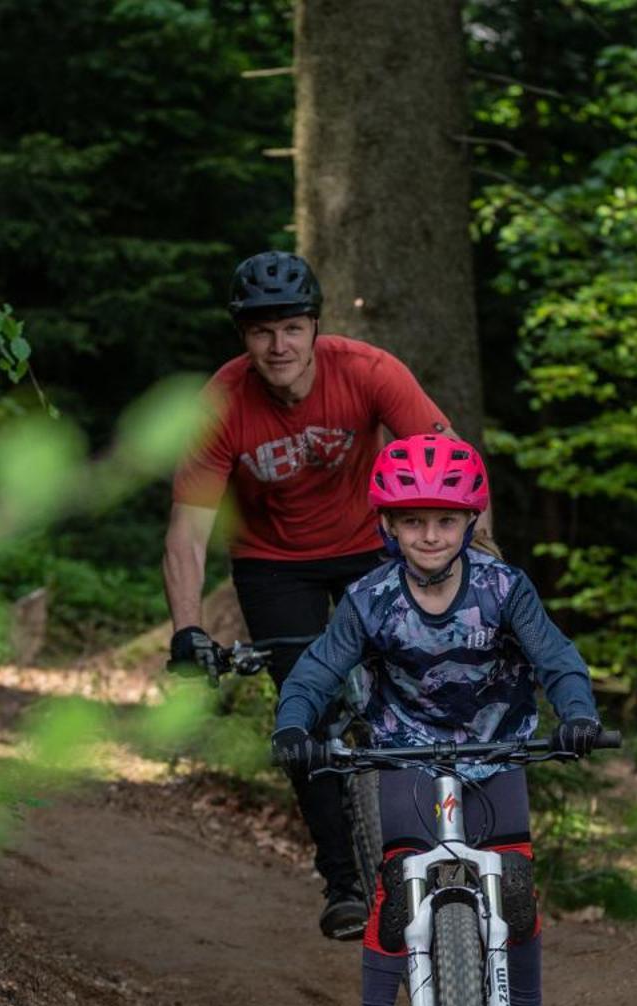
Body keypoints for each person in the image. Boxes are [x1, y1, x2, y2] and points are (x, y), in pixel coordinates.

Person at [267, 435, 603, 1006]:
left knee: (514, 886)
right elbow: (316, 670)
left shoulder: (504, 588)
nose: (430, 535)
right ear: (388, 525)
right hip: (407, 752)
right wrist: (293, 723)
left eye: (445, 520)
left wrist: (578, 714)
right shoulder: (369, 598)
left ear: (469, 522)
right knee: (398, 888)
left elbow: (556, 658)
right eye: (413, 521)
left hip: (497, 750)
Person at [164, 250, 464, 941]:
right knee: (306, 714)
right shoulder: (222, 405)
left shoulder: (368, 371)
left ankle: (448, 839)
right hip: (275, 565)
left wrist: (472, 565)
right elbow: (187, 534)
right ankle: (343, 876)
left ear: (314, 327)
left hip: (369, 546)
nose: (279, 345)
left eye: (292, 328)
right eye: (263, 331)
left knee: (421, 681)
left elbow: (450, 464)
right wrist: (187, 631)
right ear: (244, 337)